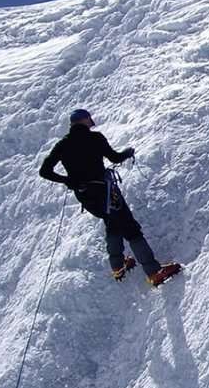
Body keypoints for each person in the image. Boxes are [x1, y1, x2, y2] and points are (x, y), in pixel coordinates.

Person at [39, 109, 183, 286]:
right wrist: (128, 152)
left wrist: (68, 180)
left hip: (85, 196)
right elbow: (115, 158)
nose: (91, 121)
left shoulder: (62, 145)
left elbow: (44, 171)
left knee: (112, 223)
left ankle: (118, 266)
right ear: (84, 120)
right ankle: (154, 272)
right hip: (105, 192)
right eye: (89, 119)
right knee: (130, 228)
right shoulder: (95, 138)